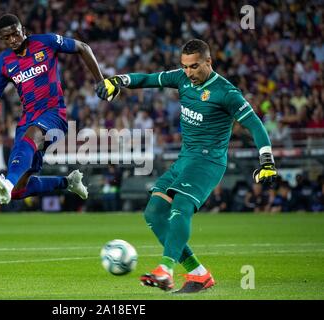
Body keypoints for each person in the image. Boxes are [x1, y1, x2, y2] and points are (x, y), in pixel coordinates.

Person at [96, 39, 278, 293]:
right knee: (154, 213)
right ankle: (198, 274)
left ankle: (166, 270)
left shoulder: (226, 92)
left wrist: (266, 160)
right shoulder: (182, 78)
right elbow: (147, 79)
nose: (189, 72)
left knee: (181, 205)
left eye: (194, 67)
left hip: (208, 161)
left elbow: (255, 125)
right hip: (185, 158)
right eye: (185, 66)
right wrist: (118, 80)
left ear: (208, 62)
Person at [0, 14, 105, 204]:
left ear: (23, 30)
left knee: (27, 144)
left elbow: (83, 47)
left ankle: (6, 184)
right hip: (28, 119)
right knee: (19, 191)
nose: (13, 40)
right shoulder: (4, 63)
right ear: (1, 39)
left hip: (54, 114)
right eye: (7, 38)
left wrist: (100, 81)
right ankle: (68, 182)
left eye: (16, 34)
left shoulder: (46, 42)